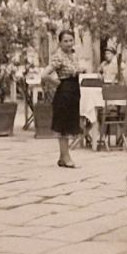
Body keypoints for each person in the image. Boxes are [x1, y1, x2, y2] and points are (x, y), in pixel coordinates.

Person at [41, 29, 86, 168]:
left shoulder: (73, 55)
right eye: (65, 41)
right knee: (64, 125)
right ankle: (66, 157)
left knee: (70, 122)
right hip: (64, 92)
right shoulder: (58, 56)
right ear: (60, 43)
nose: (68, 43)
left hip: (74, 90)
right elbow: (45, 74)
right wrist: (57, 83)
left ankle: (62, 157)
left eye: (71, 40)